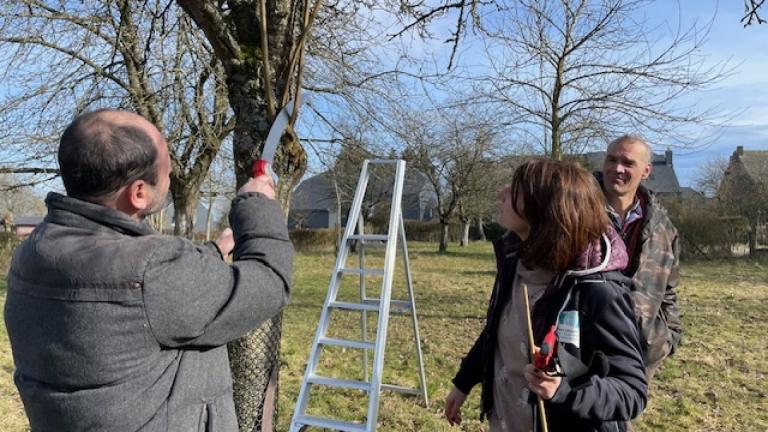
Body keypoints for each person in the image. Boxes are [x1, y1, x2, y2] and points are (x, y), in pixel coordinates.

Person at [3, 110, 293, 431]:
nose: (170, 179)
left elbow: (137, 295)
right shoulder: (152, 269)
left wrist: (212, 251)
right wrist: (257, 204)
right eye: (167, 170)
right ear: (138, 193)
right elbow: (270, 281)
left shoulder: (35, 251)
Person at [444, 158, 647, 432]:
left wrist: (564, 389)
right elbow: (499, 330)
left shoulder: (597, 290)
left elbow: (631, 391)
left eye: (514, 189)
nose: (501, 193)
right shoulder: (518, 263)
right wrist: (463, 381)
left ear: (544, 209)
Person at [598, 134, 683, 378]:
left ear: (646, 171)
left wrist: (667, 339)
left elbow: (668, 292)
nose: (617, 168)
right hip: (582, 350)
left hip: (639, 354)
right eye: (611, 160)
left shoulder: (663, 230)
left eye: (628, 163)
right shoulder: (577, 213)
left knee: (623, 417)